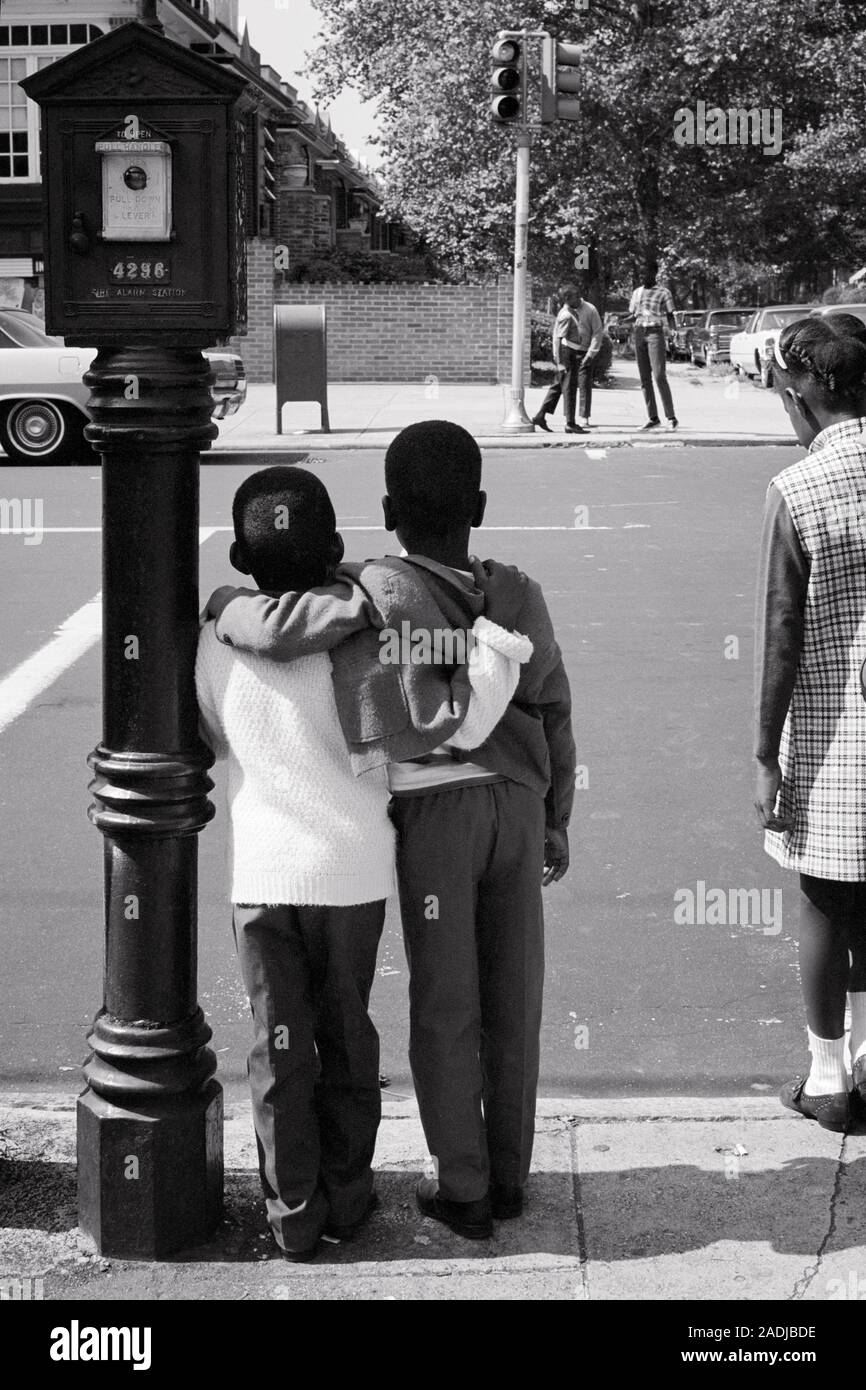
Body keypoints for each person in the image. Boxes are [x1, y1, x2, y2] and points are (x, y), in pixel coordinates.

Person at [206, 421, 577, 1239]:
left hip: (434, 816)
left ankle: (467, 1189)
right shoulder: (519, 589)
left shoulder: (374, 586)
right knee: (514, 998)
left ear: (385, 508)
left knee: (446, 1003)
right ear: (479, 504)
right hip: (515, 807)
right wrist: (555, 819)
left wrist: (226, 606)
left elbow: (282, 626)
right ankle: (510, 1176)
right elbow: (553, 705)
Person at [754, 313, 866, 1132]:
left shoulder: (798, 490)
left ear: (806, 395)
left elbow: (780, 636)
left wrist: (765, 755)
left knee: (826, 900)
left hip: (834, 738)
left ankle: (828, 1079)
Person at [533, 282, 603, 434]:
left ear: (577, 296)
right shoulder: (565, 312)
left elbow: (598, 332)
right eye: (566, 302)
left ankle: (541, 415)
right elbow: (557, 336)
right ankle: (570, 423)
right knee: (569, 387)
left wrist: (590, 353)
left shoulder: (590, 309)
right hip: (568, 352)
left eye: (570, 301)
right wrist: (558, 360)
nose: (568, 305)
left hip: (580, 352)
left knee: (559, 385)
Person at [629, 260, 679, 431]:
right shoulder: (636, 293)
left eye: (645, 273)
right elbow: (634, 314)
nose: (642, 276)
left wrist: (673, 332)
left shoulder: (664, 292)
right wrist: (620, 320)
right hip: (639, 333)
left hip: (655, 333)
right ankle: (653, 417)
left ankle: (671, 417)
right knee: (644, 378)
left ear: (654, 273)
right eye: (640, 273)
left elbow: (671, 314)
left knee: (659, 375)